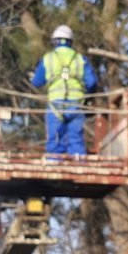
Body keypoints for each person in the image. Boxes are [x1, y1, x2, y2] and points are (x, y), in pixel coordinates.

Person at [31, 24, 98, 156]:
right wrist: (88, 98)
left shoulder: (48, 58)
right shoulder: (80, 59)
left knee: (55, 140)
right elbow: (91, 82)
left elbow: (37, 82)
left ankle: (54, 164)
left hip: (55, 104)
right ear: (70, 42)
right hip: (76, 104)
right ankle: (79, 164)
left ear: (55, 41)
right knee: (76, 140)